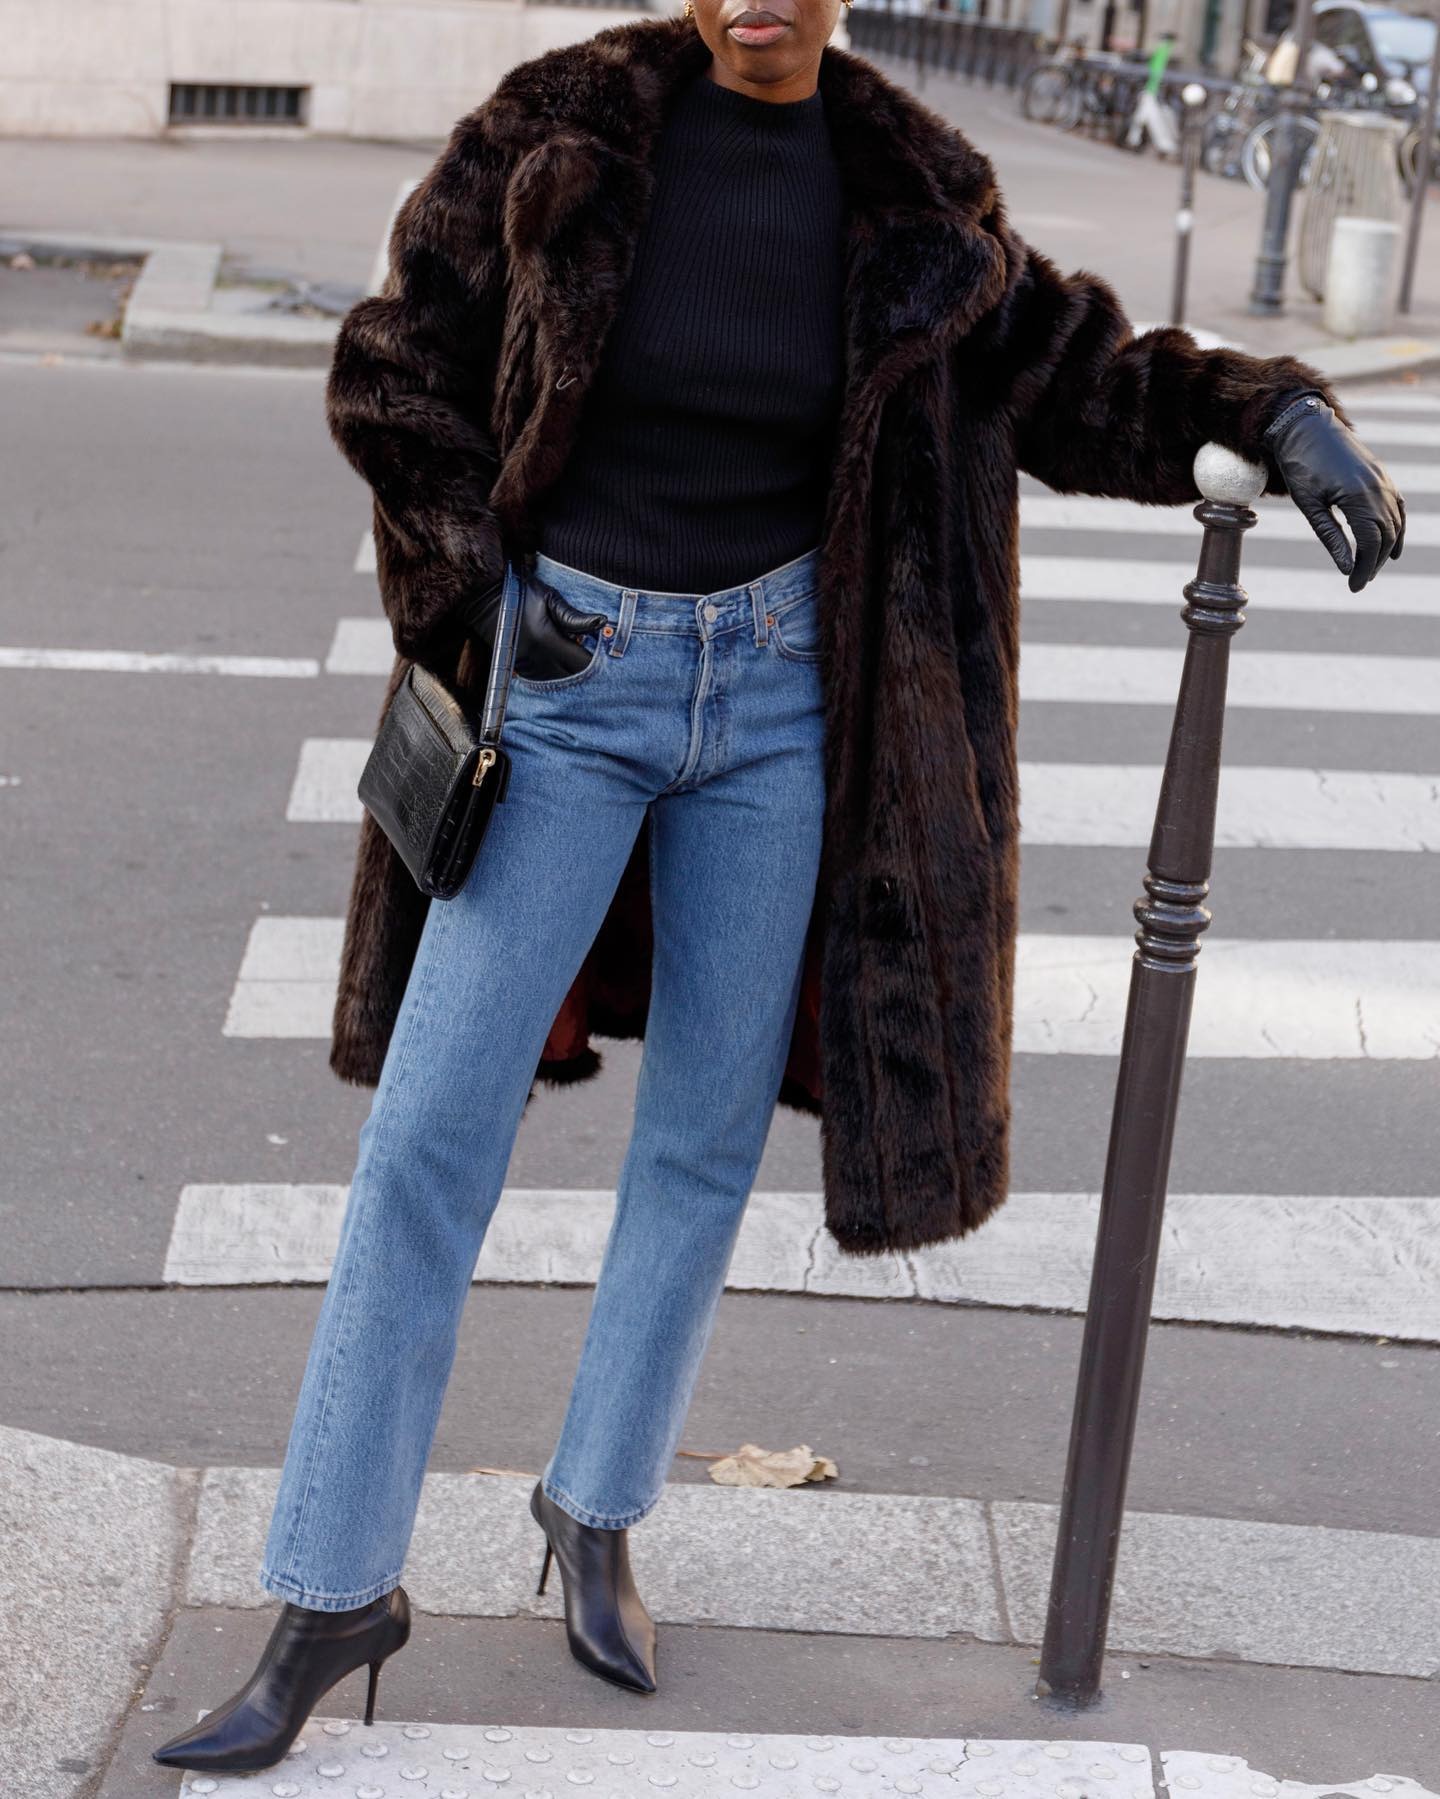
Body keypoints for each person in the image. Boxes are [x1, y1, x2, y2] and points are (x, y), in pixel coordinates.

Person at [154, 0, 1403, 1774]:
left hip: (786, 711)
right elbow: (389, 367)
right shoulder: (559, 130)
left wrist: (1277, 414)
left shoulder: (915, 190)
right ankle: (330, 1589)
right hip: (569, 698)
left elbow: (1082, 379)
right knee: (433, 1140)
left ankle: (597, 1510)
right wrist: (479, 589)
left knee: (708, 1136)